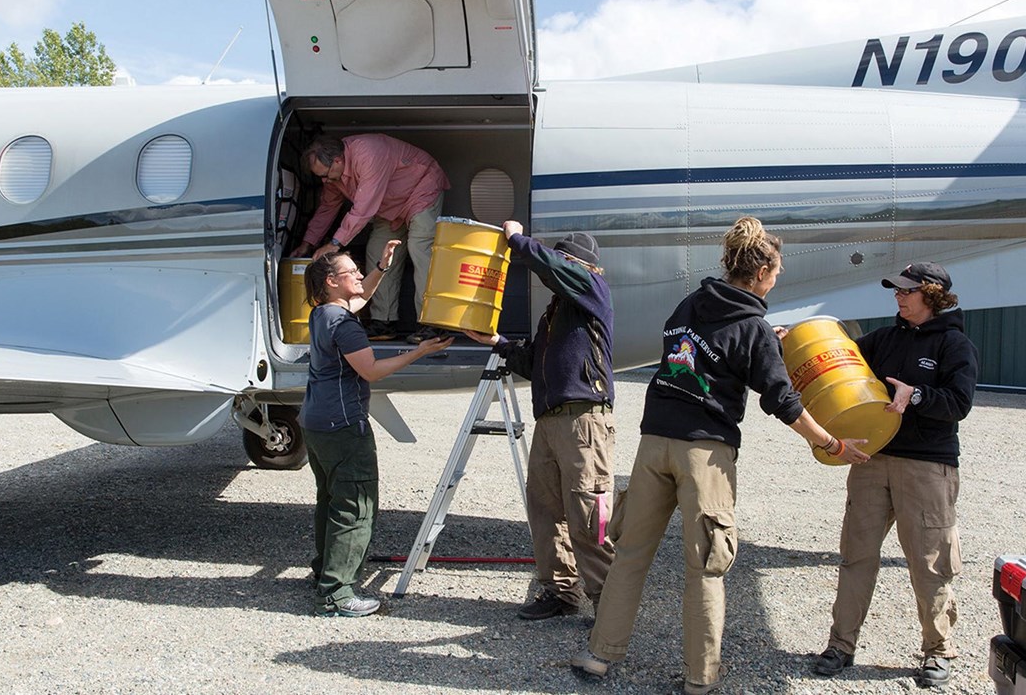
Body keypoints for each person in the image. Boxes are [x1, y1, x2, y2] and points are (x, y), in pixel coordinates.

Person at [571, 217, 869, 695]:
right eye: (777, 268)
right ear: (760, 272)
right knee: (706, 566)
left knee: (629, 555)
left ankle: (600, 655)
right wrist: (829, 442)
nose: (780, 275)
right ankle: (700, 678)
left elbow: (706, 349)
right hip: (704, 454)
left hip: (654, 443)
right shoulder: (752, 327)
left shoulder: (693, 304)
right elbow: (781, 400)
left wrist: (767, 339)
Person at [811, 261, 979, 688]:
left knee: (930, 564)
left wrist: (916, 395)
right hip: (873, 460)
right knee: (856, 556)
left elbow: (959, 404)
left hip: (927, 465)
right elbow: (838, 363)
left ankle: (938, 651)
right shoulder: (882, 340)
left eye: (907, 290)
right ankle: (840, 646)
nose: (898, 296)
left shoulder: (954, 345)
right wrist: (793, 346)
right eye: (896, 290)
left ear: (934, 294)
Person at [463, 222, 616, 621]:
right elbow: (534, 363)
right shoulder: (556, 314)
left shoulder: (591, 291)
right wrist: (496, 343)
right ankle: (559, 592)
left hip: (584, 421)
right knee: (546, 510)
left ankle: (609, 605)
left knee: (587, 511)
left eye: (564, 261)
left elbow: (555, 268)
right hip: (550, 421)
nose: (557, 270)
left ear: (582, 266)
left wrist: (518, 240)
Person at [299, 240, 454, 617]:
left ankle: (325, 572)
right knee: (355, 506)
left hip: (316, 423)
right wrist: (418, 352)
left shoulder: (322, 314)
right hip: (344, 425)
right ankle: (336, 594)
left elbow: (360, 297)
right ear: (331, 281)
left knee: (330, 499)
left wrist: (382, 267)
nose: (357, 276)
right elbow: (370, 370)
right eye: (350, 272)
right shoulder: (345, 326)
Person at [290, 133, 451, 344]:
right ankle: (383, 321)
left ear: (338, 160)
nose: (325, 181)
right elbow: (327, 207)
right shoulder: (333, 176)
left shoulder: (368, 152)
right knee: (377, 252)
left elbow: (364, 208)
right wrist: (307, 243)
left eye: (326, 175)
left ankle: (432, 324)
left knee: (419, 248)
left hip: (421, 188)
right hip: (389, 206)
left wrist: (334, 244)